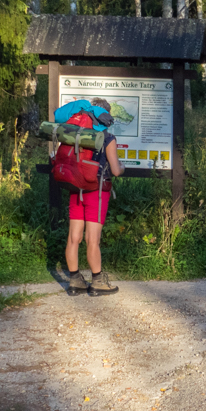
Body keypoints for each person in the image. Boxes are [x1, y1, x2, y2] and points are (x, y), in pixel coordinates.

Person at [64, 97, 123, 296]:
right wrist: (122, 167)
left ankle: (74, 281)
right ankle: (97, 282)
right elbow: (115, 170)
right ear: (105, 115)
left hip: (75, 187)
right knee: (92, 239)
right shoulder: (107, 137)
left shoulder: (76, 134)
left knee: (74, 238)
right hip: (97, 191)